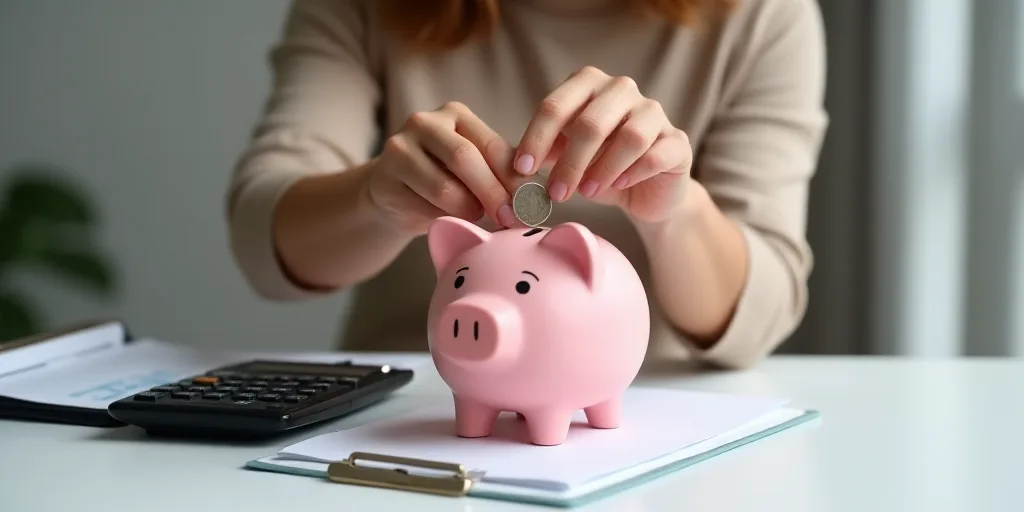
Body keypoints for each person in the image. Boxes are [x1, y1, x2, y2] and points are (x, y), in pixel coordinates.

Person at [225, 0, 828, 370]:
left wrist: (678, 211)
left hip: (646, 404)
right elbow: (263, 235)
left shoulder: (761, 14)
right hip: (416, 401)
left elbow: (764, 308)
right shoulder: (368, 6)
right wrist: (374, 199)